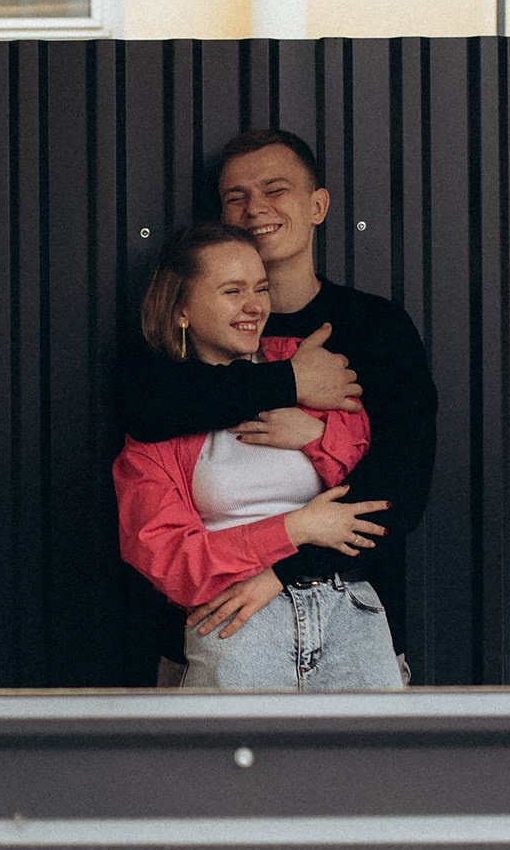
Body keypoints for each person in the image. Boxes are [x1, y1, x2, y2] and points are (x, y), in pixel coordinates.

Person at [119, 128, 438, 669]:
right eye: (235, 197)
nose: (254, 208)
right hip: (220, 630)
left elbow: (398, 490)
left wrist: (284, 569)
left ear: (318, 206)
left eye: (275, 189)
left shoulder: (376, 329)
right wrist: (291, 382)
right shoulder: (186, 338)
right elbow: (150, 411)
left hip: (352, 624)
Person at [113, 223, 401, 689]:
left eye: (261, 288)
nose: (255, 306)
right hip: (236, 622)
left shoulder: (307, 365)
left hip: (349, 609)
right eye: (232, 291)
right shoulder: (159, 416)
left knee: (378, 761)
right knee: (235, 763)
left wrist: (315, 434)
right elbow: (167, 558)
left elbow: (376, 468)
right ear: (181, 309)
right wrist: (296, 527)